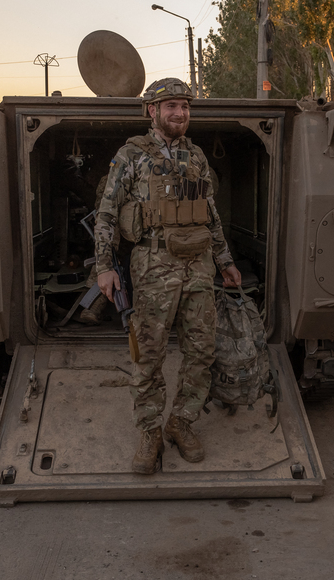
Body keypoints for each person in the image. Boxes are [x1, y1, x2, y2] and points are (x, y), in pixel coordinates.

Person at [94, 77, 242, 475]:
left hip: (199, 268)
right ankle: (149, 430)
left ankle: (181, 421)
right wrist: (104, 266)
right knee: (149, 355)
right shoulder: (131, 156)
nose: (180, 113)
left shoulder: (196, 158)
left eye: (185, 106)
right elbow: (107, 215)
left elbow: (211, 216)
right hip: (153, 267)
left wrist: (225, 261)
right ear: (152, 111)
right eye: (171, 106)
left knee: (201, 351)